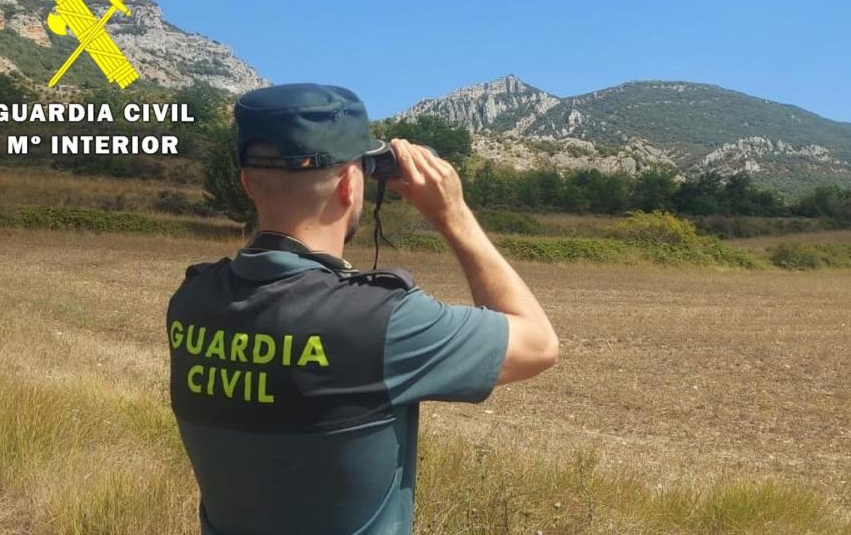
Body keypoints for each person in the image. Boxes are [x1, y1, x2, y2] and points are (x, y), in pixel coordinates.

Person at [165, 83, 559, 535]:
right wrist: (452, 215)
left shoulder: (191, 303)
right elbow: (539, 344)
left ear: (247, 182)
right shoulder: (379, 322)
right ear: (352, 186)